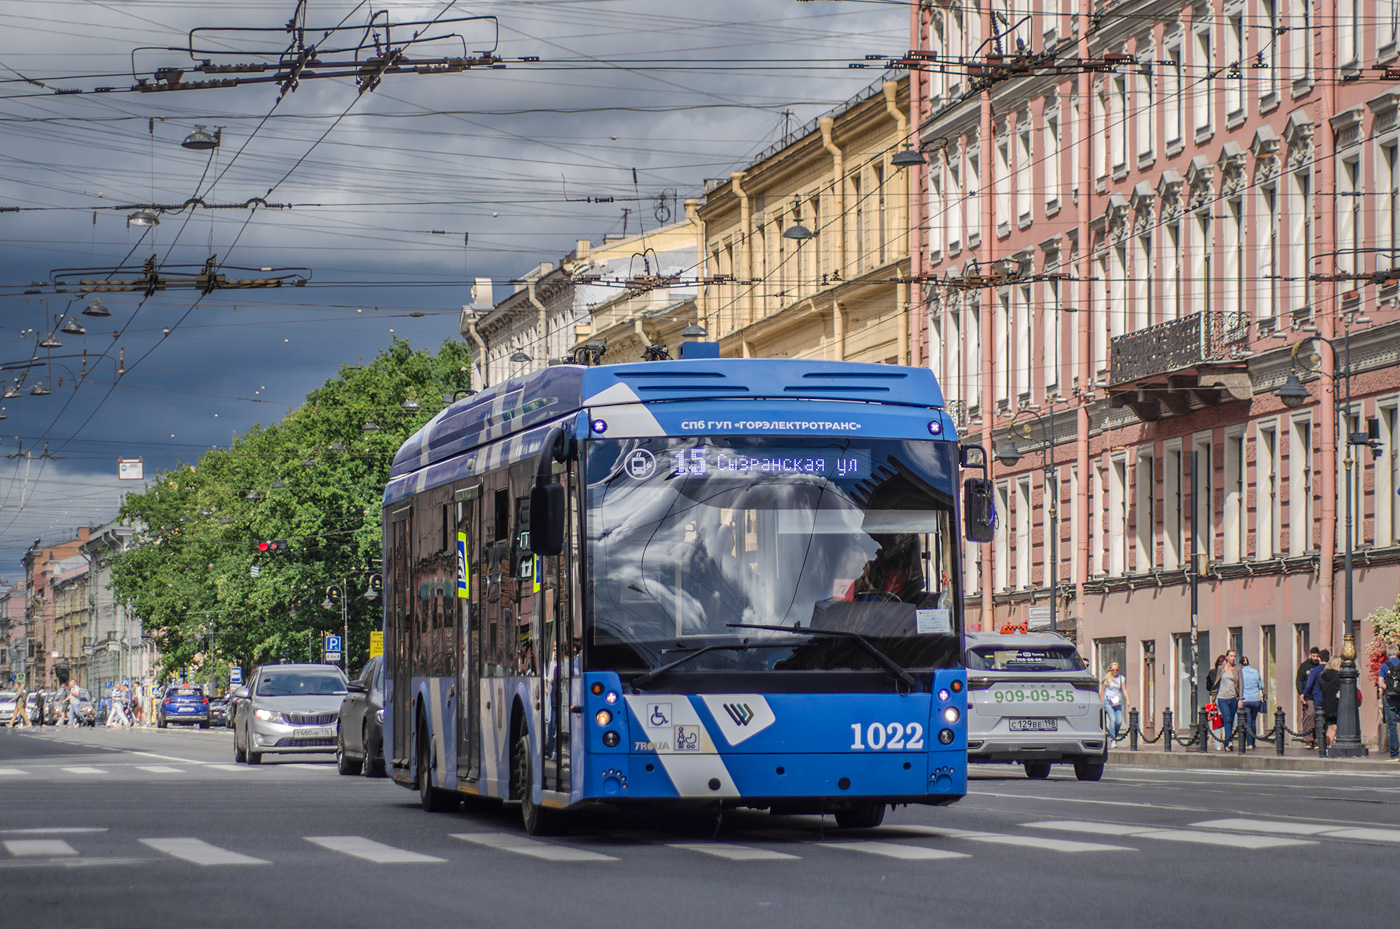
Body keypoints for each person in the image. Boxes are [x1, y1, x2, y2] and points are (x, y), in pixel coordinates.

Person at [1215, 650, 1242, 749]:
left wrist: (1240, 699)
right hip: (1222, 698)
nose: (1233, 658)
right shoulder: (1221, 669)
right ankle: (1229, 741)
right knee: (1227, 719)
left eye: (1234, 656)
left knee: (1230, 720)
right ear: (1227, 657)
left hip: (1233, 698)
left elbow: (1240, 684)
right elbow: (1216, 682)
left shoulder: (1237, 670)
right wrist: (1214, 697)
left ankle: (1227, 743)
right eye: (1231, 656)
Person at [1296, 646, 1321, 749]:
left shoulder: (1320, 666)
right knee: (1309, 715)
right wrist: (1301, 693)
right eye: (1313, 656)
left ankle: (1318, 741)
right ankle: (1308, 740)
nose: (1315, 658)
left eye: (1317, 656)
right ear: (1310, 655)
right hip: (1308, 696)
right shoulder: (1304, 666)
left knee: (1319, 716)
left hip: (1319, 695)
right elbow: (1299, 680)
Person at [1316, 656, 1343, 747]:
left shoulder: (1322, 676)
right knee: (1336, 727)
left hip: (1326, 703)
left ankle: (1327, 746)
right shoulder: (1339, 676)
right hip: (1337, 703)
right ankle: (1330, 746)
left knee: (1331, 726)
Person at [1239, 655, 1265, 750]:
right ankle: (1253, 742)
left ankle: (1249, 743)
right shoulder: (1256, 672)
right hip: (1256, 699)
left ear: (1240, 664)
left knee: (1248, 721)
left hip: (1245, 699)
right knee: (1253, 721)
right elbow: (1261, 686)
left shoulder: (1240, 672)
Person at [1380, 644, 1400, 761]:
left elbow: (1381, 682)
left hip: (1390, 697)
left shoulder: (1384, 666)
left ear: (1387, 653)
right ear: (1397, 652)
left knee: (1392, 725)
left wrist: (1388, 688)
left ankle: (1395, 754)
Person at [1100, 662, 1129, 742]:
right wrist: (1101, 701)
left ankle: (1114, 736)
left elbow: (1124, 689)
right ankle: (1113, 740)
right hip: (1108, 701)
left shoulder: (1121, 678)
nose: (1115, 671)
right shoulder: (1107, 678)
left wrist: (1128, 699)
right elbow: (1102, 690)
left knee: (1118, 721)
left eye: (1116, 670)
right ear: (1111, 670)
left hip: (1116, 701)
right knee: (1112, 720)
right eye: (1113, 670)